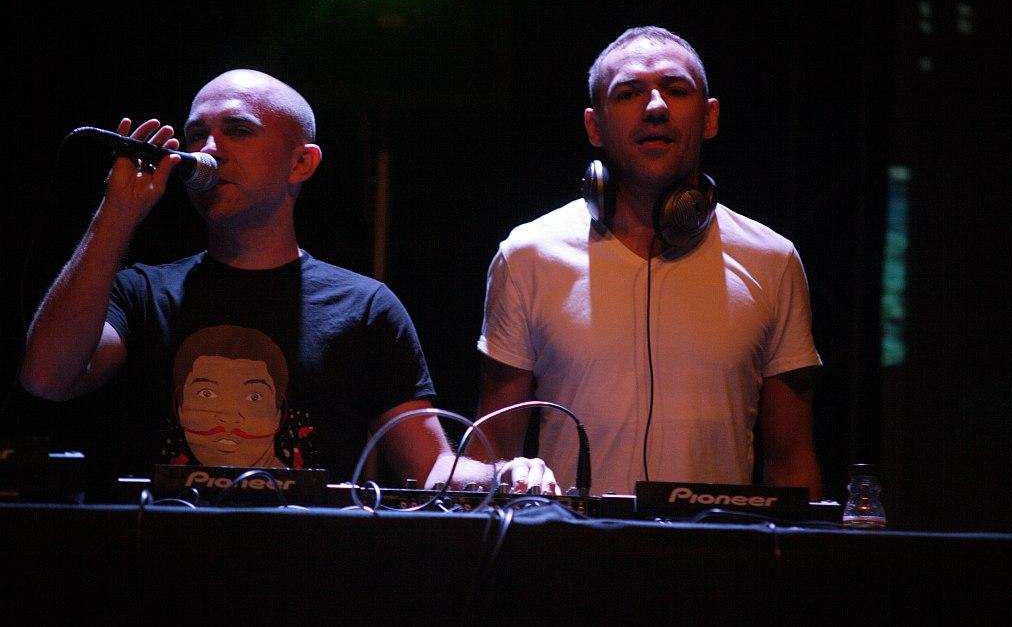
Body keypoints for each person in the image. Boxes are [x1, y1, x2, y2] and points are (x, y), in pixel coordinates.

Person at [19, 69, 551, 496]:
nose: (209, 148)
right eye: (196, 134)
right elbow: (47, 377)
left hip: (306, 574)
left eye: (238, 130)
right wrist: (117, 212)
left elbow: (429, 466)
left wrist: (502, 473)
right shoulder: (140, 292)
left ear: (301, 163)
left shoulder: (363, 307)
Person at [474, 27, 823, 499]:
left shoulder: (773, 261)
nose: (656, 107)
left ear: (710, 117)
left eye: (676, 90)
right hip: (568, 545)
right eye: (629, 93)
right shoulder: (528, 255)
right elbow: (492, 457)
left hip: (718, 545)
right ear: (594, 127)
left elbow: (792, 464)